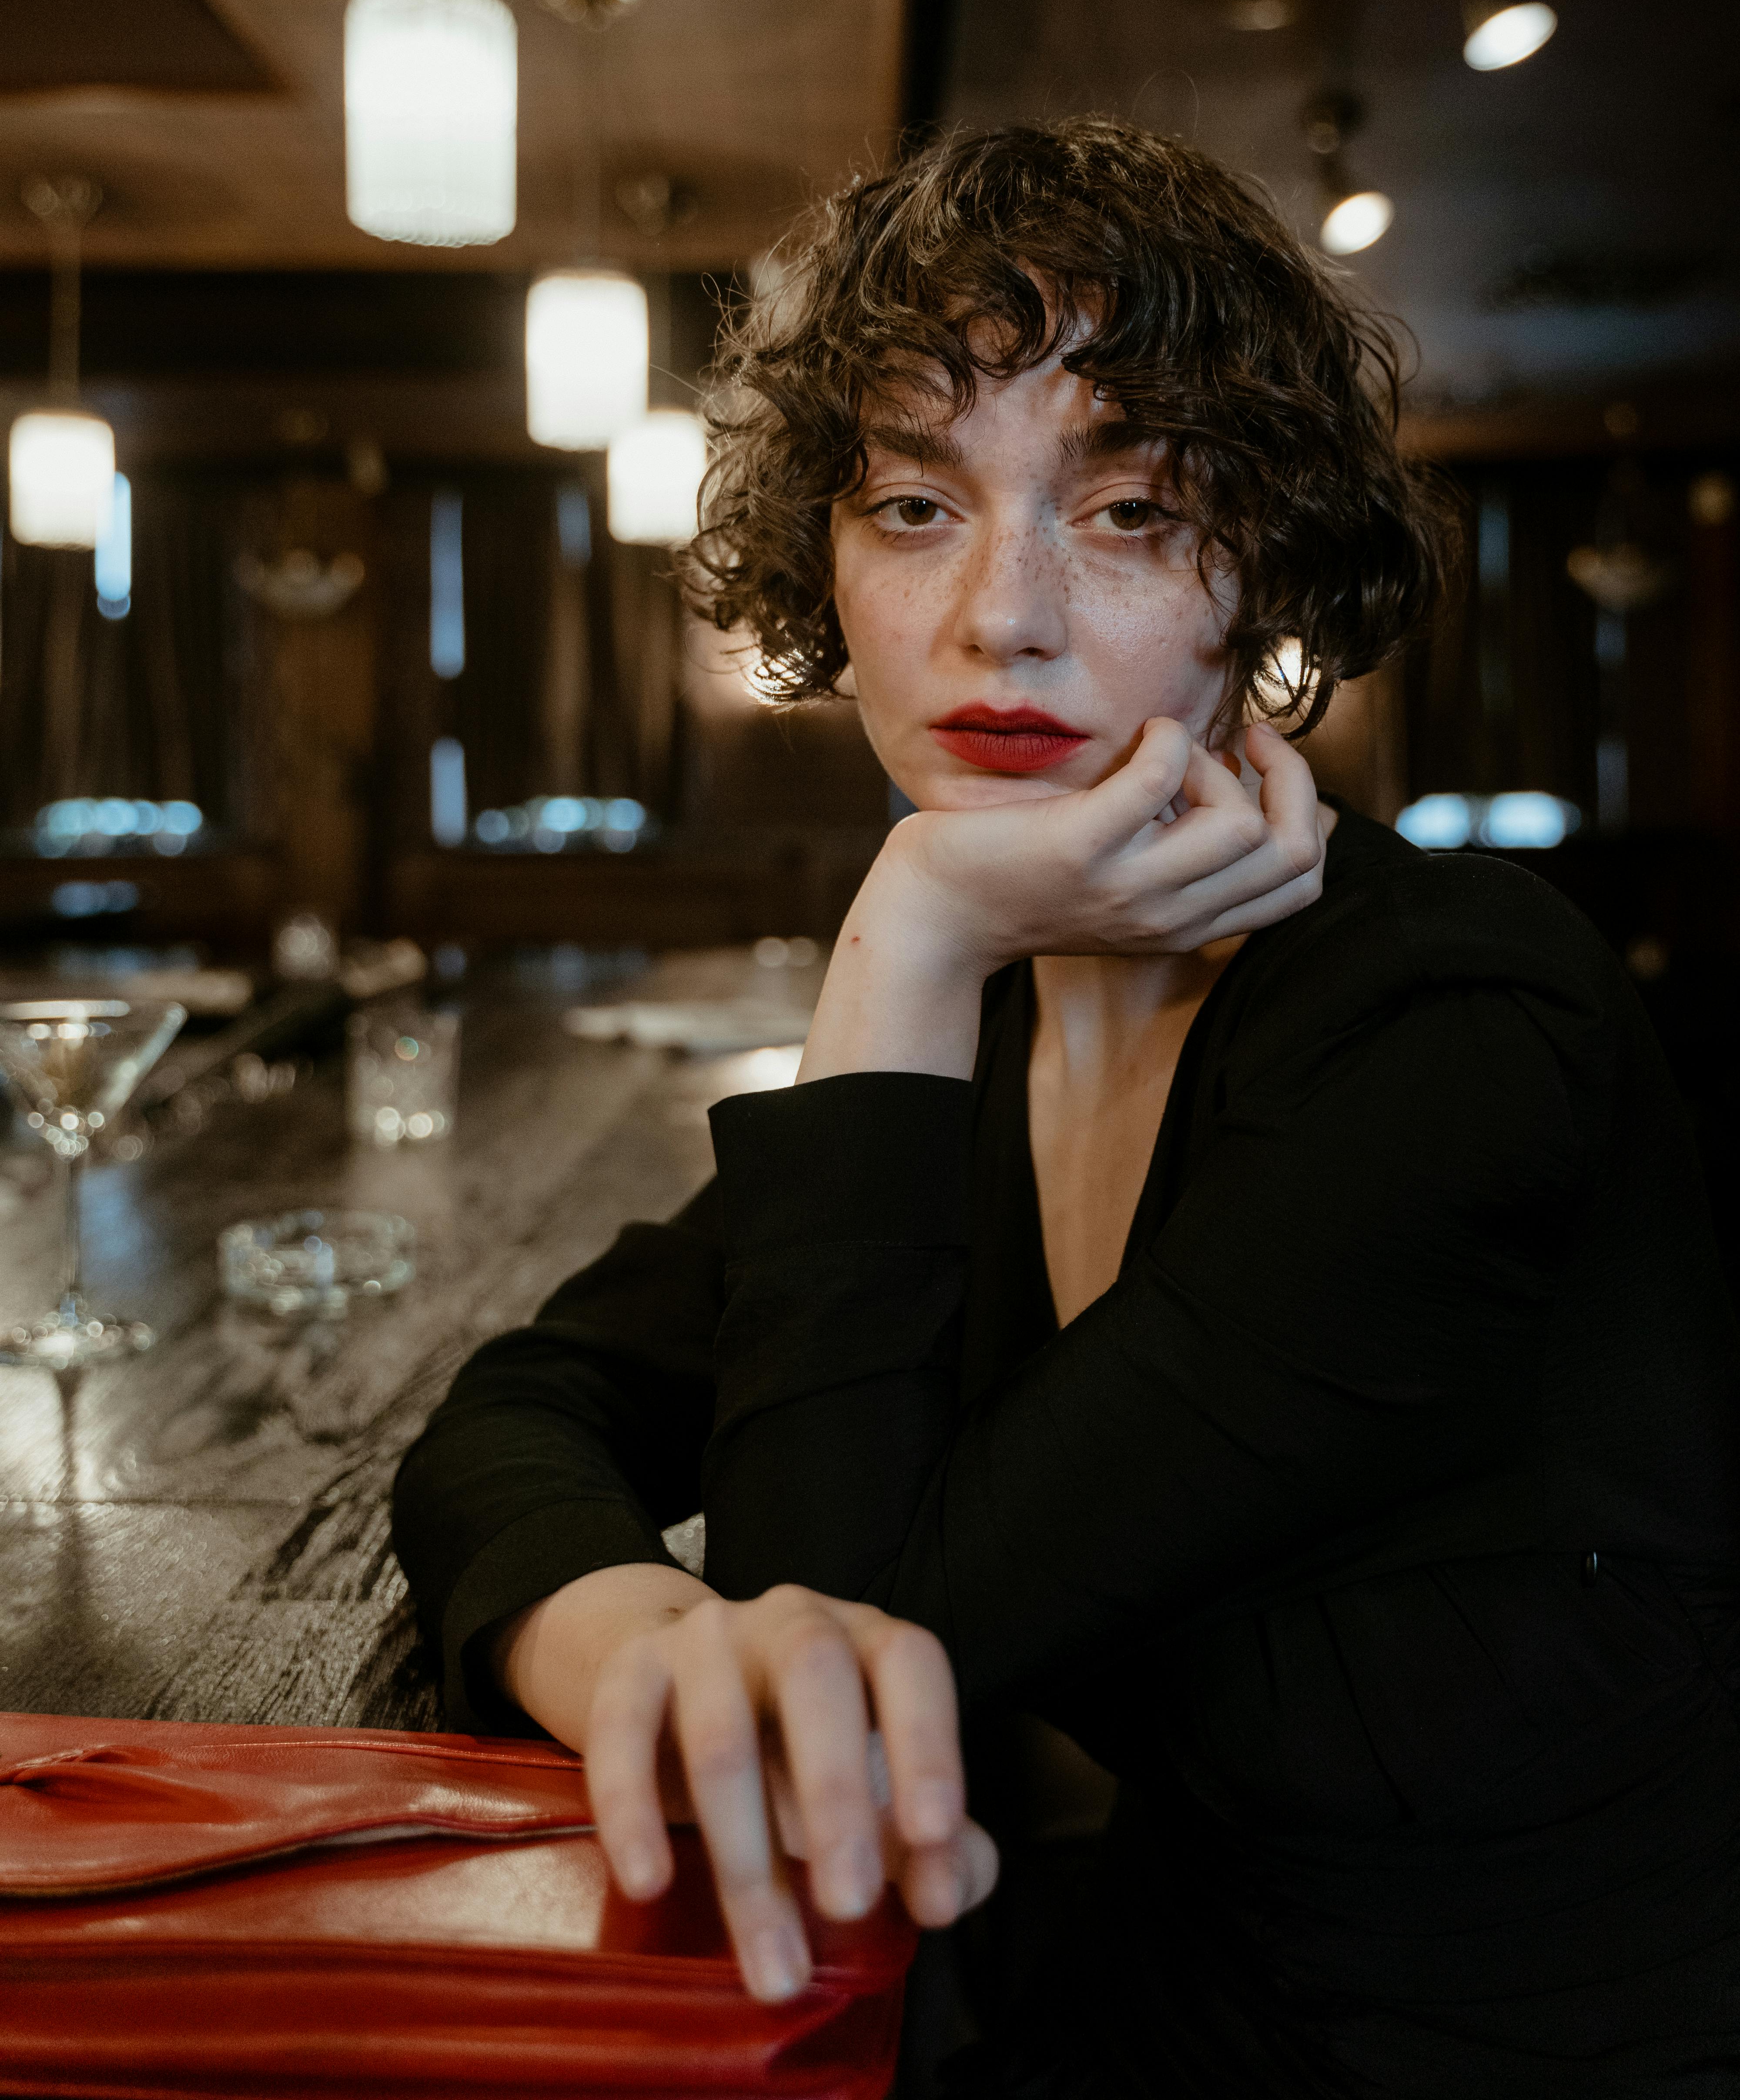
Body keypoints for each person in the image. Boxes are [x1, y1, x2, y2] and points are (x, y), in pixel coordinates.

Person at [392, 117, 1740, 2097]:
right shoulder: (1016, 1022)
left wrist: (916, 927)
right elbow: (516, 1410)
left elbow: (867, 1623)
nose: (1002, 615)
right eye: (916, 507)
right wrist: (620, 1640)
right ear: (822, 563)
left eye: (1127, 511)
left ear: (1256, 574)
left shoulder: (1457, 1016)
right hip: (1164, 1987)